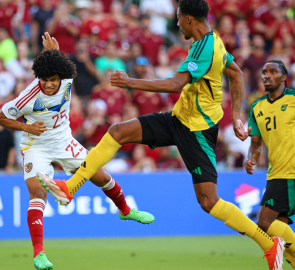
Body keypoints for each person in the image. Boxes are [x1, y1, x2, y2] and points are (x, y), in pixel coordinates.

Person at [37, 1, 285, 270]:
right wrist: (236, 114)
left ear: (190, 19)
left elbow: (174, 84)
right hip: (179, 119)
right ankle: (70, 187)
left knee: (208, 202)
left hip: (198, 131)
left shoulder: (207, 47)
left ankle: (269, 245)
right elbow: (235, 75)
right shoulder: (213, 42)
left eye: (179, 19)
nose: (177, 24)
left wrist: (130, 82)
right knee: (118, 131)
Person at [0, 33, 154, 270]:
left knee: (102, 177)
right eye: (44, 79)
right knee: (37, 194)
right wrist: (26, 126)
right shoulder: (29, 95)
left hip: (64, 141)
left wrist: (54, 53)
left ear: (61, 77)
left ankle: (126, 211)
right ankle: (39, 253)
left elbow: (60, 63)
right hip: (35, 146)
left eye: (53, 79)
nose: (48, 84)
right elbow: (0, 117)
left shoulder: (67, 79)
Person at [245, 60, 295, 268]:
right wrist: (252, 158)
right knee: (278, 231)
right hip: (276, 172)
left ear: (284, 78)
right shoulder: (257, 107)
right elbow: (255, 143)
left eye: (273, 72)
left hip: (289, 173)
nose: (266, 75)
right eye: (264, 72)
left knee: (264, 223)